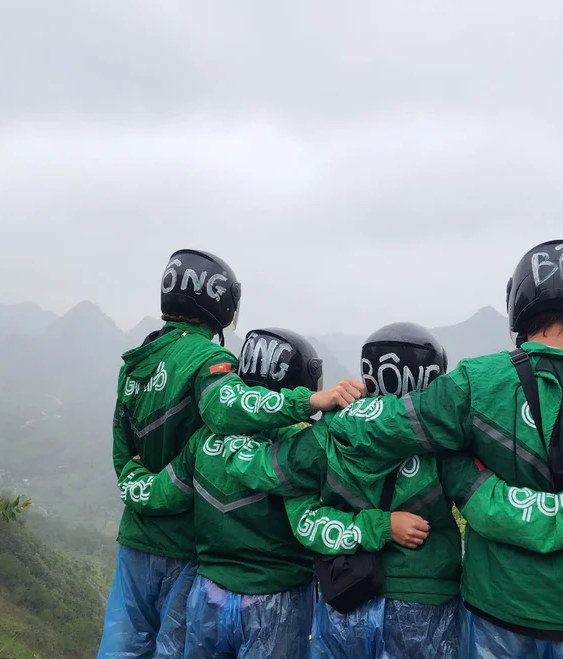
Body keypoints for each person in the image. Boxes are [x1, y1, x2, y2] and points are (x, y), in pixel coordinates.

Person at [326, 240, 563, 659]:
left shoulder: (478, 383)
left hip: (498, 616)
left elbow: (379, 430)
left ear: (520, 300)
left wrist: (340, 406)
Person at [220, 322, 563, 659]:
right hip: (425, 606)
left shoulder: (330, 433)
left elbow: (263, 471)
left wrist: (219, 434)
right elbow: (496, 510)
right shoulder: (445, 447)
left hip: (343, 603)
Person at [97, 249, 365, 659]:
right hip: (187, 547)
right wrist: (309, 401)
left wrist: (134, 486)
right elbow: (226, 408)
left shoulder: (134, 364)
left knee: (122, 643)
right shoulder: (209, 359)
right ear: (218, 301)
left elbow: (123, 452)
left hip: (137, 536)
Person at [116, 327, 330, 658]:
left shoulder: (205, 440)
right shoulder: (302, 444)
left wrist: (131, 473)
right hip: (277, 599)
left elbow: (162, 494)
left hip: (209, 598)